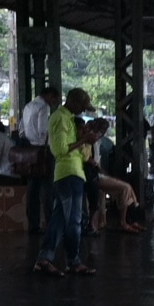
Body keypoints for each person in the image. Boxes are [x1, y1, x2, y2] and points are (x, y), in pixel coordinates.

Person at [33, 88, 98, 277]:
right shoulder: (60, 118)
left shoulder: (68, 118)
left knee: (59, 220)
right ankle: (74, 261)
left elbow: (79, 153)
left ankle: (44, 260)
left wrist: (85, 140)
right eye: (82, 107)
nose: (82, 111)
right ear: (74, 103)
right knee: (74, 222)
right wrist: (83, 140)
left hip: (71, 174)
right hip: (68, 175)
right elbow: (59, 150)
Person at [21, 87, 60, 234]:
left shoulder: (28, 106)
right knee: (47, 189)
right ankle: (50, 223)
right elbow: (43, 130)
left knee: (32, 189)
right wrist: (47, 144)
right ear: (49, 95)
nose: (53, 103)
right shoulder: (43, 107)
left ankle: (33, 225)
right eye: (54, 99)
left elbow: (21, 129)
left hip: (30, 151)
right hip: (43, 152)